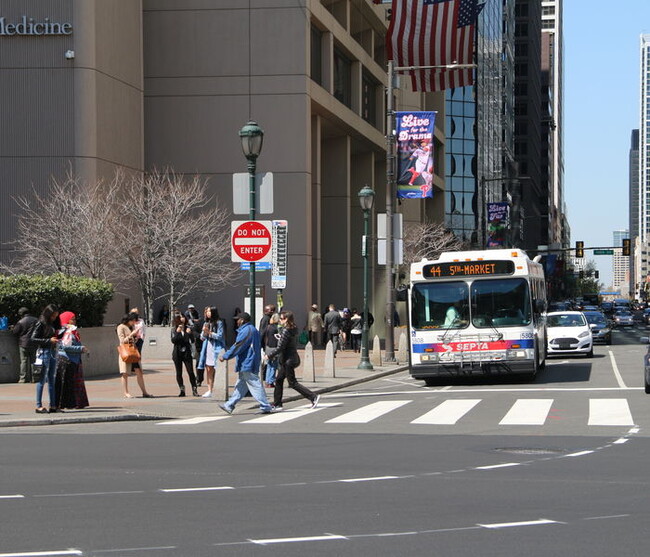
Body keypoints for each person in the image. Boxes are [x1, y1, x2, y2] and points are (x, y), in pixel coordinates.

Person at [218, 312, 272, 415]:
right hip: (249, 361)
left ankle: (265, 406)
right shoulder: (252, 329)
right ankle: (229, 405)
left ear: (242, 320)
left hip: (247, 362)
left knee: (254, 384)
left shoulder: (246, 331)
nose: (236, 321)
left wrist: (226, 356)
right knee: (241, 386)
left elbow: (238, 346)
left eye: (237, 319)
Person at [266, 310, 319, 410]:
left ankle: (313, 396)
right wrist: (281, 337)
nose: (280, 320)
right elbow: (287, 342)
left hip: (288, 360)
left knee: (292, 383)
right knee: (279, 380)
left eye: (282, 318)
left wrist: (269, 355)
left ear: (287, 319)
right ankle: (277, 403)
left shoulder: (286, 330)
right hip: (290, 358)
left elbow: (281, 347)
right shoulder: (293, 328)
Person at [55, 311, 89, 410]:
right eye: (72, 319)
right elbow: (65, 347)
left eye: (74, 319)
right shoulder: (65, 331)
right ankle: (67, 404)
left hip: (74, 360)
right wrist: (81, 349)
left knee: (72, 383)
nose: (74, 321)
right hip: (67, 360)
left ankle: (74, 403)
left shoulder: (72, 331)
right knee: (67, 384)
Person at [30, 304, 61, 413]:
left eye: (56, 316)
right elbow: (33, 338)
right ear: (48, 314)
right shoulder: (41, 323)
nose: (54, 318)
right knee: (42, 379)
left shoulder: (52, 323)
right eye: (53, 316)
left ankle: (53, 405)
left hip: (52, 351)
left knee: (52, 379)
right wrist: (48, 341)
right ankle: (39, 405)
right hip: (44, 351)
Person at [117, 314, 153, 398]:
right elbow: (122, 341)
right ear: (129, 320)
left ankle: (144, 392)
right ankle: (126, 392)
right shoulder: (121, 327)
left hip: (133, 352)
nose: (134, 323)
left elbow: (132, 339)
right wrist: (131, 334)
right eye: (133, 321)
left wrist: (135, 337)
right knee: (125, 373)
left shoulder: (131, 327)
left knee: (139, 372)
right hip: (126, 352)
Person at [198, 306, 225, 398]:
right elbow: (202, 338)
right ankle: (209, 390)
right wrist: (204, 333)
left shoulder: (219, 322)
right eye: (207, 311)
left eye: (209, 311)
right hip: (207, 347)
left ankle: (217, 389)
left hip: (216, 348)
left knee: (217, 369)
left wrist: (209, 333)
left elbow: (220, 336)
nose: (207, 313)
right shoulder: (206, 323)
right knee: (208, 369)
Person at [171, 314, 199, 397]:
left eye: (183, 316)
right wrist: (177, 332)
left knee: (190, 371)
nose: (182, 318)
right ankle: (182, 390)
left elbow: (192, 340)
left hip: (186, 352)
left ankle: (194, 389)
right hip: (177, 353)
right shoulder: (174, 329)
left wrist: (190, 334)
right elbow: (173, 340)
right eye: (180, 317)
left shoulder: (188, 328)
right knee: (179, 372)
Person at [12, 307, 38, 383]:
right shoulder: (36, 320)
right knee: (33, 361)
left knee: (24, 361)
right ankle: (33, 378)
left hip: (23, 343)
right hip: (34, 343)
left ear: (22, 314)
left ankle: (22, 379)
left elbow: (15, 332)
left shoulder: (21, 321)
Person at [263, 313, 280, 388]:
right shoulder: (277, 328)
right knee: (273, 365)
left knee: (269, 365)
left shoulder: (268, 327)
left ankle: (267, 381)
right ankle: (271, 381)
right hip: (274, 348)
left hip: (268, 347)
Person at [130, 308, 146, 374]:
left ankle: (137, 367)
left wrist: (143, 337)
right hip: (133, 338)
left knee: (138, 353)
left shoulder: (141, 320)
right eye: (134, 312)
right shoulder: (131, 320)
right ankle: (133, 368)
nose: (136, 313)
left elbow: (144, 328)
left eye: (136, 312)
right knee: (134, 353)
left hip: (140, 338)